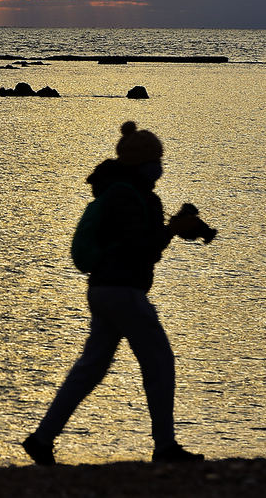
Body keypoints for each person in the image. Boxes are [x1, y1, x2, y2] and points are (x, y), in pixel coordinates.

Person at [22, 121, 206, 465]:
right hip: (123, 291)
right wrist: (172, 230)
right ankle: (165, 447)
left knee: (91, 368)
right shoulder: (129, 196)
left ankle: (42, 439)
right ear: (141, 163)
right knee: (160, 363)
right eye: (155, 159)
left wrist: (172, 229)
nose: (160, 167)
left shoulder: (120, 192)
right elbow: (141, 249)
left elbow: (137, 243)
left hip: (104, 289)